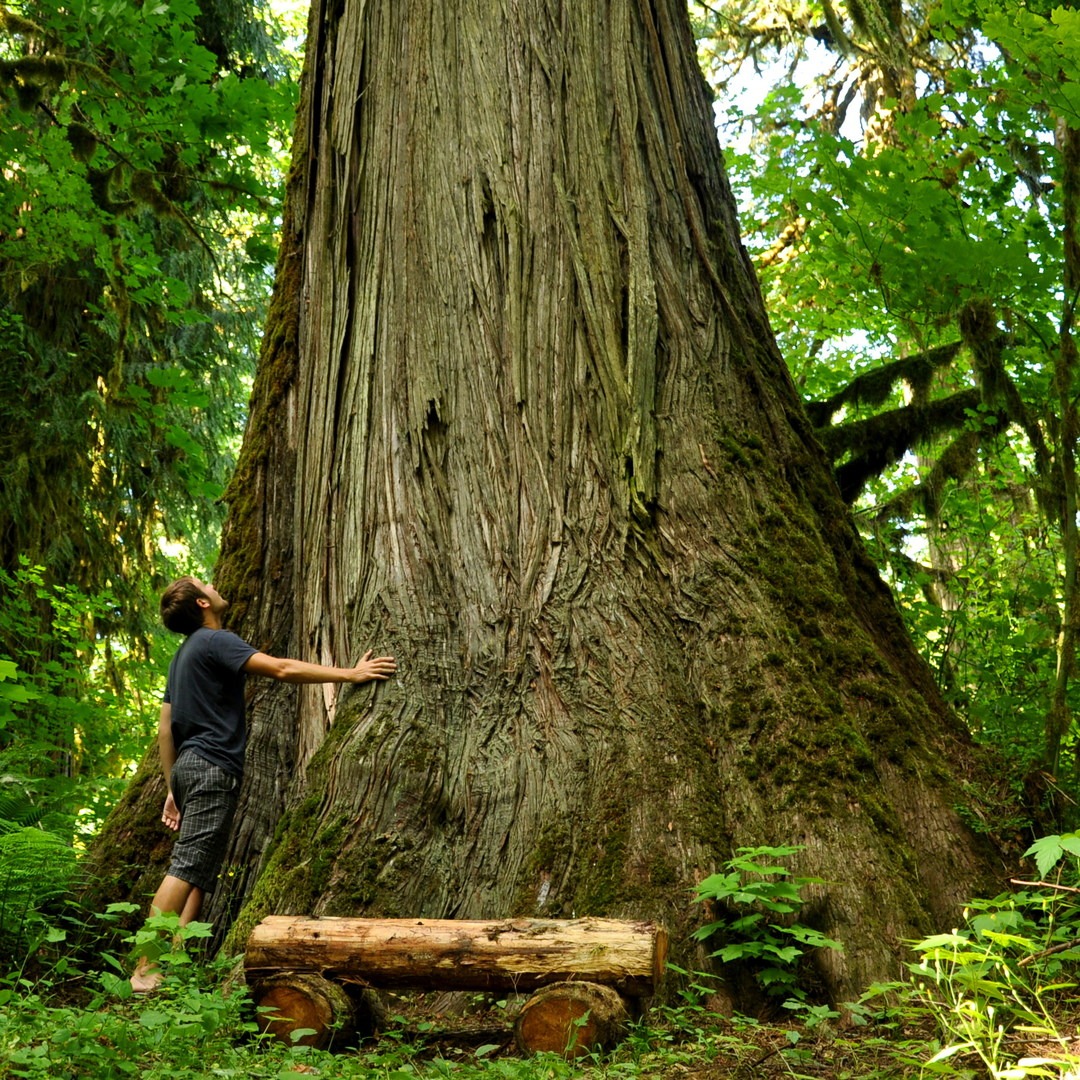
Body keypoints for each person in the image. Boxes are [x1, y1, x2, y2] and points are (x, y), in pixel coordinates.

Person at [130, 576, 396, 992]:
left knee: (201, 868)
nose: (217, 585)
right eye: (207, 585)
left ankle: (174, 964)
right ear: (203, 603)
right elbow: (281, 668)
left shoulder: (181, 658)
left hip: (187, 766)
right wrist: (351, 674)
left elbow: (166, 727)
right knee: (186, 865)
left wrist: (172, 787)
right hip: (212, 765)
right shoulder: (214, 640)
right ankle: (145, 969)